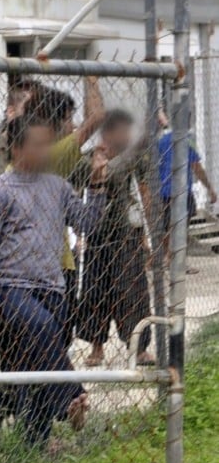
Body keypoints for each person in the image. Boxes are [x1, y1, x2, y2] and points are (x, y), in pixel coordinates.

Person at [0, 76, 104, 434]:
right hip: (14, 288)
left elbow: (87, 223)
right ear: (17, 149)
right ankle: (73, 396)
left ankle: (36, 440)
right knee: (41, 328)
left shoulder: (57, 186)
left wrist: (98, 185)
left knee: (40, 358)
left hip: (53, 287)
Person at [70, 110, 154, 367]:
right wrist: (76, 234)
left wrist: (149, 234)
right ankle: (97, 348)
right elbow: (72, 195)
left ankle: (138, 348)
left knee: (132, 291)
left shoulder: (131, 157)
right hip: (95, 236)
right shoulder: (86, 160)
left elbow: (143, 192)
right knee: (94, 294)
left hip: (124, 234)